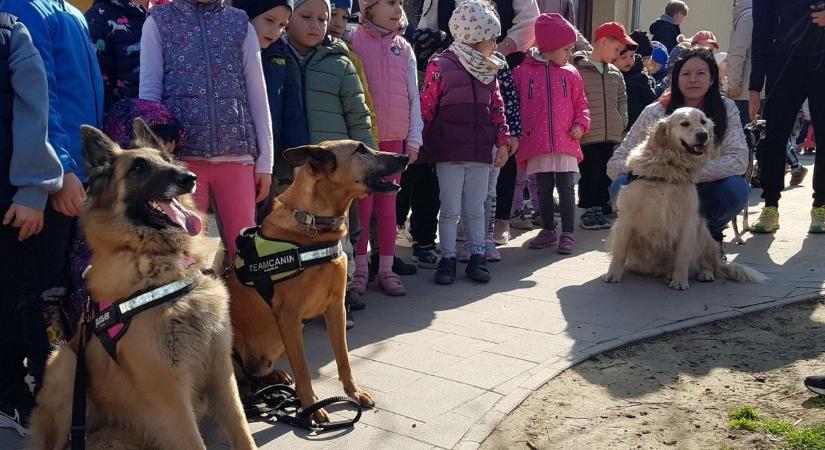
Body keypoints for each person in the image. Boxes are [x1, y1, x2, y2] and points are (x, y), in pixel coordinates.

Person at [1, 0, 104, 344]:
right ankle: (47, 382)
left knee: (72, 282)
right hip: (60, 178)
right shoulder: (22, 7)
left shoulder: (73, 13)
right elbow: (41, 98)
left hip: (85, 172)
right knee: (44, 289)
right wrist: (62, 169)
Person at [139, 0, 275, 261]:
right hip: (182, 163)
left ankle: (246, 301)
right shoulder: (158, 21)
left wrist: (265, 162)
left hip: (238, 158)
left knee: (246, 250)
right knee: (186, 253)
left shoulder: (239, 23)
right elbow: (149, 95)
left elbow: (258, 95)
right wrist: (154, 161)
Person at [608, 48, 750, 255]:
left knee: (736, 189)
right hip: (656, 193)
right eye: (685, 74)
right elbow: (615, 163)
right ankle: (653, 242)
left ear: (712, 79)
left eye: (700, 73)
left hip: (702, 188)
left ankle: (709, 237)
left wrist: (685, 174)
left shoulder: (726, 109)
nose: (693, 79)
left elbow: (738, 160)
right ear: (675, 79)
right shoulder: (655, 112)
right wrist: (657, 172)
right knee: (620, 185)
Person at [0, 15, 62, 437]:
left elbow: (34, 107)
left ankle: (9, 397)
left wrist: (32, 190)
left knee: (11, 299)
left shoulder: (10, 31)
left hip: (8, 195)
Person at [420, 0, 510, 285]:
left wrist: (503, 141)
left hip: (480, 150)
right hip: (449, 151)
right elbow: (427, 107)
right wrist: (420, 142)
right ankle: (447, 258)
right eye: (492, 38)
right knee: (449, 209)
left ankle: (477, 256)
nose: (495, 44)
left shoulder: (489, 70)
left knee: (476, 207)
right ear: (475, 37)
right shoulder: (441, 66)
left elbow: (498, 108)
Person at [350, 0, 423, 296]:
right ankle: (360, 269)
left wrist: (414, 138)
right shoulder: (352, 40)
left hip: (394, 139)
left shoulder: (404, 48)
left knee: (388, 207)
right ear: (369, 7)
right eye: (390, 3)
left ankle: (387, 269)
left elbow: (413, 96)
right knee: (362, 208)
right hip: (365, 142)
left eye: (400, 3)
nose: (398, 9)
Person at [514, 13, 590, 254]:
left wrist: (581, 124)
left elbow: (582, 105)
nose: (569, 54)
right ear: (549, 45)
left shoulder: (571, 73)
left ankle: (567, 232)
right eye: (565, 48)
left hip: (566, 139)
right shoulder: (523, 72)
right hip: (537, 142)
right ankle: (548, 230)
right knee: (543, 187)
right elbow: (513, 104)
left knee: (566, 188)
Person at [749, 0, 825, 234]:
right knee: (774, 138)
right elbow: (760, 30)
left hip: (822, 62)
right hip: (783, 63)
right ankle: (770, 206)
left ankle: (820, 206)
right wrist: (754, 86)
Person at [572, 22, 631, 230]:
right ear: (603, 42)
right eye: (616, 49)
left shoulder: (615, 73)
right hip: (588, 134)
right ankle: (589, 210)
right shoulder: (579, 70)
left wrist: (621, 120)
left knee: (606, 172)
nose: (618, 54)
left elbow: (622, 99)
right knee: (590, 173)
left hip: (611, 134)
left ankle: (600, 206)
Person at [85, 0, 149, 113]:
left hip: (174, 123)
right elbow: (98, 85)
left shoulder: (173, 11)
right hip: (125, 122)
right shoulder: (98, 17)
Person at [726, 0, 755, 127]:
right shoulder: (753, 14)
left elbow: (737, 52)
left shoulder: (748, 16)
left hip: (745, 92)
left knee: (744, 138)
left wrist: (733, 84)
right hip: (753, 90)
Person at [617, 45, 657, 131]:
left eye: (632, 56)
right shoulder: (613, 76)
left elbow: (651, 99)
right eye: (623, 57)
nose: (629, 60)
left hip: (638, 124)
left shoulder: (641, 77)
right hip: (620, 125)